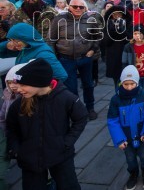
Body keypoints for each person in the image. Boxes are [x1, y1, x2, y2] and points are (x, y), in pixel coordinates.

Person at [6, 58, 88, 190]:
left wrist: (66, 142)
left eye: (23, 85)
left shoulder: (66, 98)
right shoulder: (19, 103)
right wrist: (16, 148)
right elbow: (11, 127)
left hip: (60, 155)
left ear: (38, 83)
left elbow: (81, 118)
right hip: (29, 158)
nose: (18, 89)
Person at [48, 0, 100, 120]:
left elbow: (97, 37)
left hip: (85, 58)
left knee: (88, 84)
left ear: (85, 8)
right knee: (70, 87)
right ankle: (75, 110)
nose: (78, 9)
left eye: (81, 7)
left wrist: (93, 49)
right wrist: (55, 57)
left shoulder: (90, 20)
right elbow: (50, 39)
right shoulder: (59, 19)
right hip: (66, 59)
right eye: (75, 6)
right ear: (69, 6)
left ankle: (90, 108)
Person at [107, 65, 144, 190]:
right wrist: (119, 139)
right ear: (121, 83)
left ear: (137, 82)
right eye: (126, 84)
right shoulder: (116, 99)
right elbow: (113, 121)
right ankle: (133, 174)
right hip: (126, 137)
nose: (129, 87)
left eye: (132, 84)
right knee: (130, 159)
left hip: (142, 135)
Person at [0, 23, 68, 82]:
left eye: (16, 41)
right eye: (11, 40)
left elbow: (61, 76)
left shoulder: (43, 53)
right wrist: (6, 44)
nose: (13, 44)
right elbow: (2, 53)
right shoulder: (26, 49)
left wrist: (38, 89)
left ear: (26, 39)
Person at [0, 63, 23, 189]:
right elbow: (3, 114)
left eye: (15, 82)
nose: (12, 86)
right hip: (11, 131)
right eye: (9, 82)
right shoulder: (8, 94)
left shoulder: (26, 96)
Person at [103, 5, 132, 88]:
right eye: (115, 15)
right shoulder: (107, 25)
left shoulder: (128, 24)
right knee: (117, 80)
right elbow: (105, 42)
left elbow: (129, 39)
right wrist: (114, 31)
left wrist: (122, 29)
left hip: (125, 54)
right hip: (113, 55)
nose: (117, 17)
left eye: (119, 14)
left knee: (128, 78)